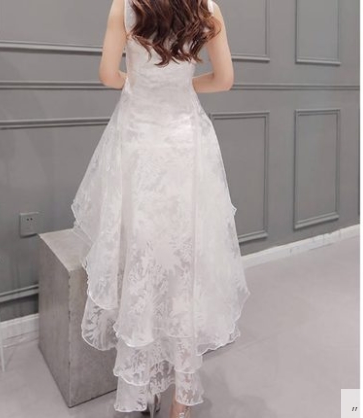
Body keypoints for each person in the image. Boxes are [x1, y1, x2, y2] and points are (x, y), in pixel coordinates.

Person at [71, 0, 251, 417]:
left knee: (141, 258)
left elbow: (107, 75)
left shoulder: (125, 6)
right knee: (185, 265)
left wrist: (138, 84)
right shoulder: (208, 8)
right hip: (186, 141)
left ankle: (141, 387)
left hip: (138, 140)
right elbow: (224, 80)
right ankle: (181, 403)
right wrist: (181, 87)